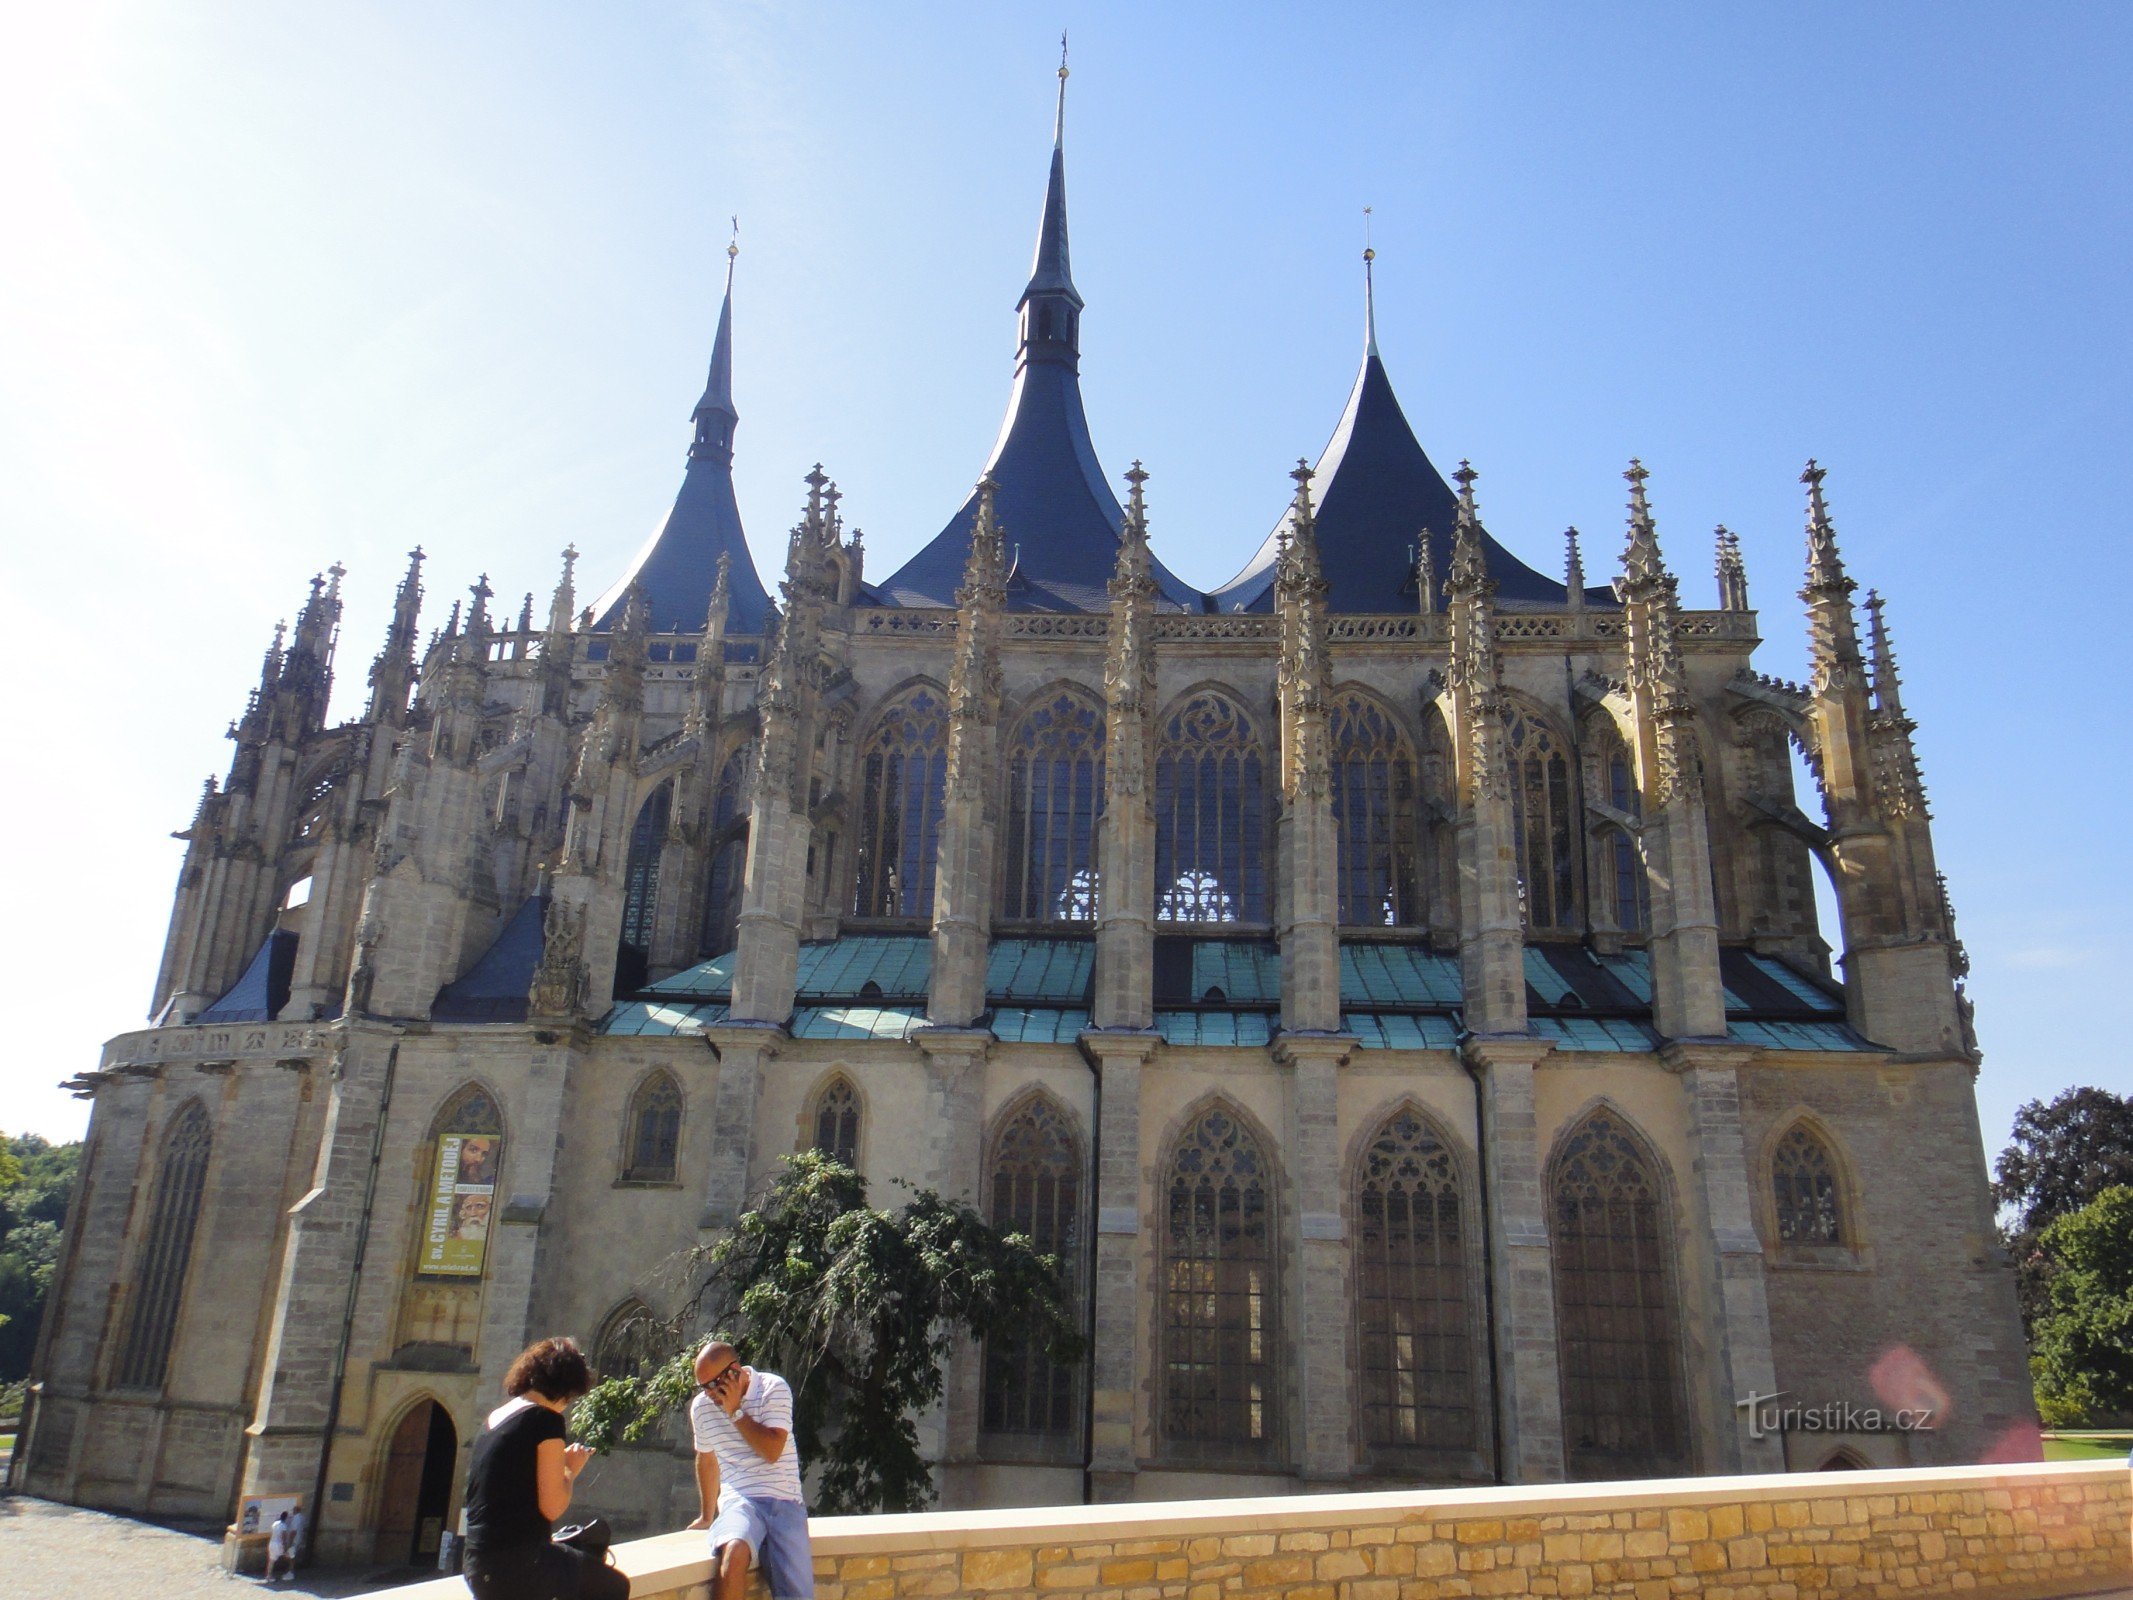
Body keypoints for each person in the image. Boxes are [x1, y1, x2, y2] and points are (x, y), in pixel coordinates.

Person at [461, 1336, 628, 1600]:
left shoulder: (495, 1419)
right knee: (614, 1586)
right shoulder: (545, 1419)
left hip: (477, 1565)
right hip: (519, 1567)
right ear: (565, 1388)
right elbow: (552, 1507)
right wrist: (570, 1469)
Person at [687, 1341, 813, 1600]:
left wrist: (735, 1411)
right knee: (733, 1552)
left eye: (713, 1384)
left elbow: (772, 1451)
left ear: (734, 1371)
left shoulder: (773, 1389)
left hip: (784, 1500)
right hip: (740, 1499)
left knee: (796, 1595)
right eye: (703, 1386)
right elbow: (707, 1459)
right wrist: (706, 1516)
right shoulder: (702, 1408)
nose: (709, 1393)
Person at [265, 1511, 290, 1583]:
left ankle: (268, 1575)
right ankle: (287, 1572)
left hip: (272, 1542)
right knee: (288, 1556)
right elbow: (283, 1536)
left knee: (271, 1561)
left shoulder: (274, 1524)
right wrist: (285, 1546)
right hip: (278, 1544)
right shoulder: (283, 1525)